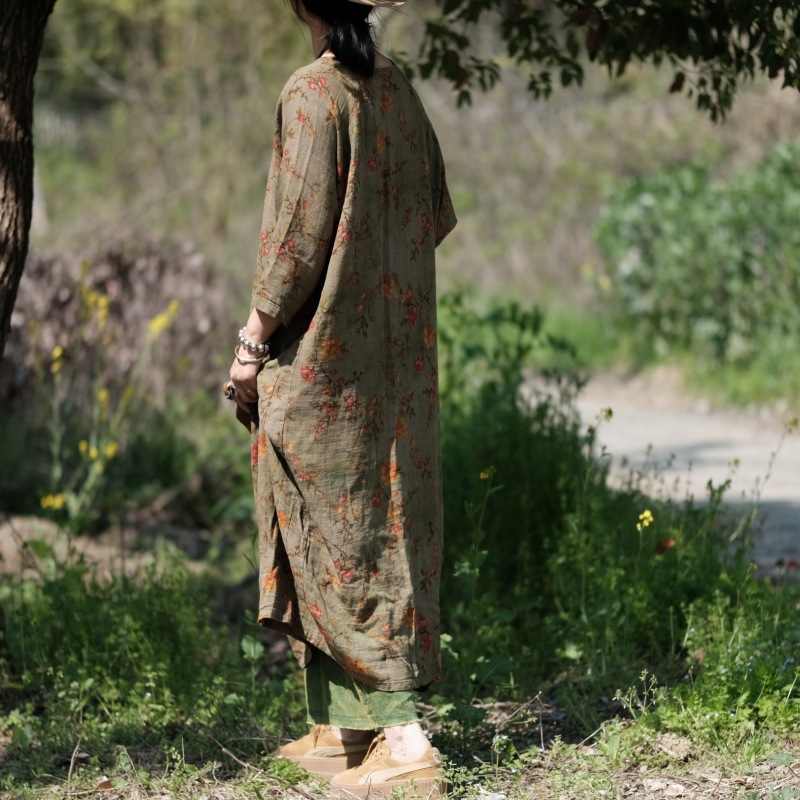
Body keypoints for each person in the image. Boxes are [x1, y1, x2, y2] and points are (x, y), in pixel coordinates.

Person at [226, 0, 456, 795]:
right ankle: (346, 725)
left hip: (326, 363)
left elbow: (294, 242)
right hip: (398, 367)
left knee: (345, 531)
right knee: (365, 524)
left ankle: (405, 737)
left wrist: (252, 345)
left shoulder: (312, 93)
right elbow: (433, 213)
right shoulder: (400, 90)